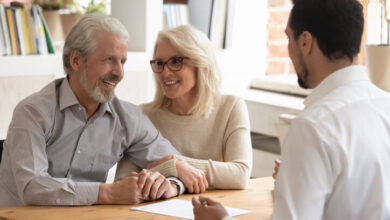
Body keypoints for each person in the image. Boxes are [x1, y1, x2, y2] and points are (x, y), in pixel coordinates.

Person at [192, 0, 390, 219]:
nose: (288, 49)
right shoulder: (385, 105)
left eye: (288, 37)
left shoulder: (313, 127)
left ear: (305, 41)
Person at [0, 13, 195, 208]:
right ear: (76, 60)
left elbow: (183, 169)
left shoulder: (128, 118)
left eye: (122, 62)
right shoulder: (32, 113)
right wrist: (108, 192)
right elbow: (32, 188)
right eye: (109, 59)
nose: (119, 73)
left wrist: (171, 185)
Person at [115, 25, 253, 193]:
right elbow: (123, 181)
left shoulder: (231, 108)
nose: (165, 73)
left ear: (200, 63)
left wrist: (171, 161)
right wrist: (175, 168)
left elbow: (240, 174)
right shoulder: (143, 115)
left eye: (175, 61)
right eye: (160, 63)